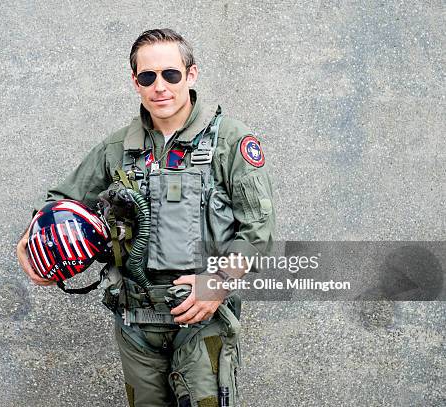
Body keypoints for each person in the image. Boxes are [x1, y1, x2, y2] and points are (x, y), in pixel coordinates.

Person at [17, 28, 275, 407]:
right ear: (135, 81)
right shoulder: (118, 147)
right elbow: (59, 201)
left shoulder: (231, 142)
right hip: (136, 321)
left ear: (191, 74)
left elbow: (258, 231)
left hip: (201, 317)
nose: (160, 86)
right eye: (147, 76)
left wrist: (217, 282)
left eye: (171, 74)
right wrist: (30, 241)